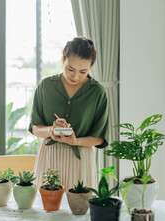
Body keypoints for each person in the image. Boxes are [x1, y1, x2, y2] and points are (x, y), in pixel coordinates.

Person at [28, 36, 109, 189]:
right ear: (62, 59)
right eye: (70, 69)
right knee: (47, 208)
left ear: (90, 68)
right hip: (49, 156)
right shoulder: (46, 86)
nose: (75, 76)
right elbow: (35, 128)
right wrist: (51, 130)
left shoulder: (97, 92)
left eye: (83, 72)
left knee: (79, 209)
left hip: (81, 159)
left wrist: (75, 141)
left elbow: (99, 138)